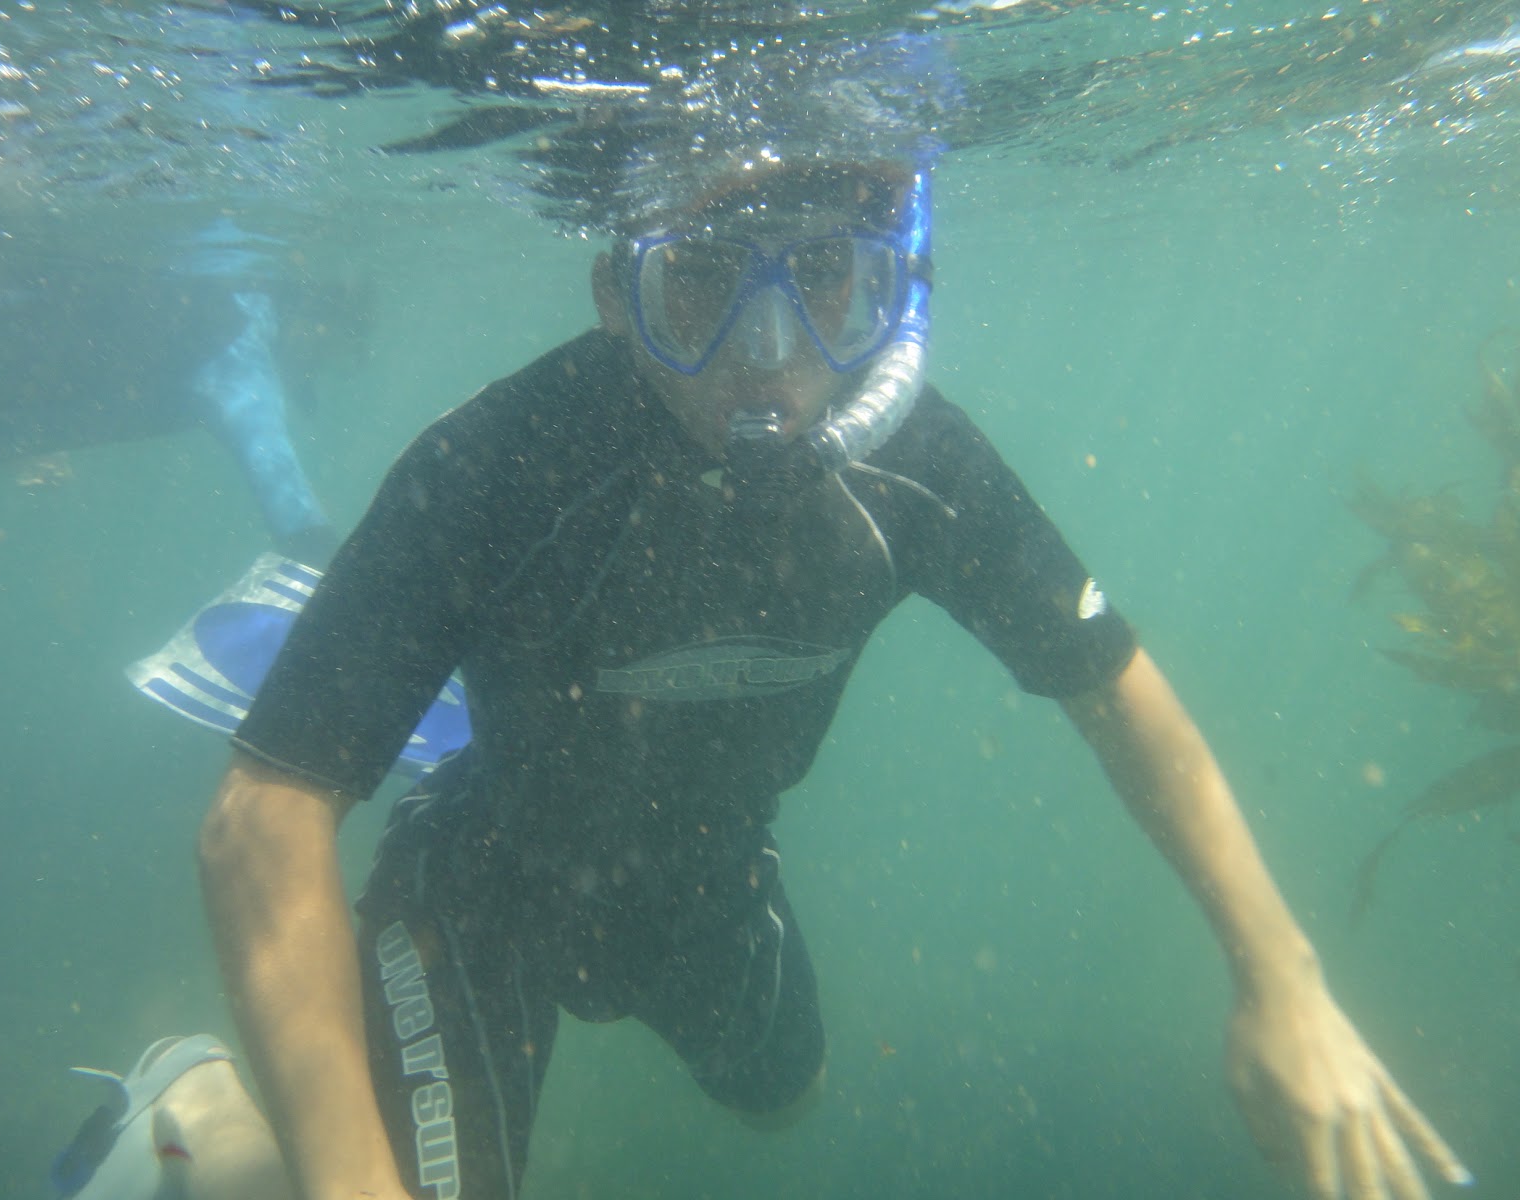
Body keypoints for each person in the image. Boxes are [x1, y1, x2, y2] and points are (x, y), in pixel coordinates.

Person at [196, 67, 1472, 1200]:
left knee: (785, 1102)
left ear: (887, 292)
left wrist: (1282, 973)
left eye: (820, 280)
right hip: (480, 885)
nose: (767, 358)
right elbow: (265, 811)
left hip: (708, 874)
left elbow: (1113, 685)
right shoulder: (499, 467)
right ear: (612, 296)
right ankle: (196, 1121)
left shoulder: (921, 470)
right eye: (695, 281)